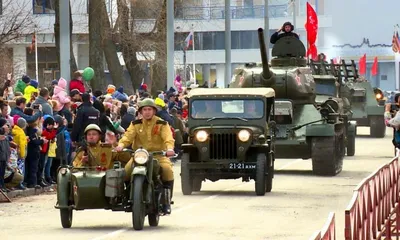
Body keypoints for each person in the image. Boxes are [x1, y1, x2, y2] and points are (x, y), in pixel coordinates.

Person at [115, 98, 175, 214]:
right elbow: (128, 136)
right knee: (125, 173)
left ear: (154, 111)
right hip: (139, 156)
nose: (147, 112)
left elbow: (168, 137)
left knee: (167, 171)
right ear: (140, 112)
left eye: (149, 109)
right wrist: (121, 145)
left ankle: (166, 201)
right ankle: (127, 197)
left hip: (158, 156)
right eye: (144, 110)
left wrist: (169, 148)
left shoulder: (162, 124)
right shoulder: (135, 124)